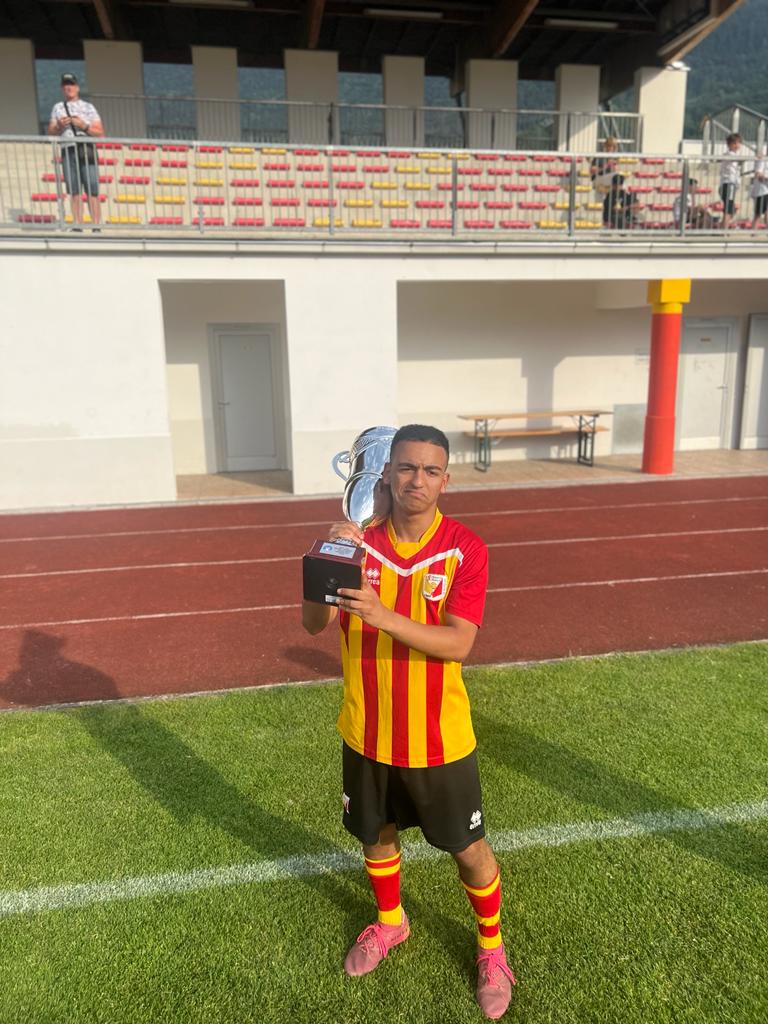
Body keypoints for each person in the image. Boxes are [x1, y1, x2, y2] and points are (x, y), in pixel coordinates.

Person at [302, 423, 516, 1020]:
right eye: (406, 467)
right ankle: (391, 921)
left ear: (446, 479)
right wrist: (326, 562)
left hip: (438, 737)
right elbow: (313, 625)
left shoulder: (465, 549)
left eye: (430, 470)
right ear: (388, 474)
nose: (416, 480)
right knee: (376, 835)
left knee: (467, 848)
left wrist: (381, 614)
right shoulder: (358, 542)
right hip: (366, 728)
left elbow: (458, 644)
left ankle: (492, 948)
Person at [47, 73, 104, 230]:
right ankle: (77, 225)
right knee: (74, 190)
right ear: (62, 88)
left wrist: (83, 125)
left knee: (92, 189)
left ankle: (96, 226)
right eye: (66, 85)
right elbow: (50, 132)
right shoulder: (58, 107)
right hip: (68, 149)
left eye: (71, 84)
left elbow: (100, 133)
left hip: (86, 148)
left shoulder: (88, 107)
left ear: (77, 87)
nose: (68, 87)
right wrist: (59, 125)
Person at [719, 132, 743, 230]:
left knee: (731, 208)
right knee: (728, 209)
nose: (738, 145)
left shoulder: (733, 155)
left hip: (731, 184)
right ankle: (724, 230)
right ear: (730, 144)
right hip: (728, 184)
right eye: (735, 143)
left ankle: (722, 227)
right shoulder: (729, 154)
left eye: (739, 143)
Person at [750, 149, 768, 229]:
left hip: (765, 190)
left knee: (759, 214)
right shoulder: (762, 160)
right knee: (758, 214)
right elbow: (758, 175)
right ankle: (753, 232)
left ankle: (753, 232)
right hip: (762, 190)